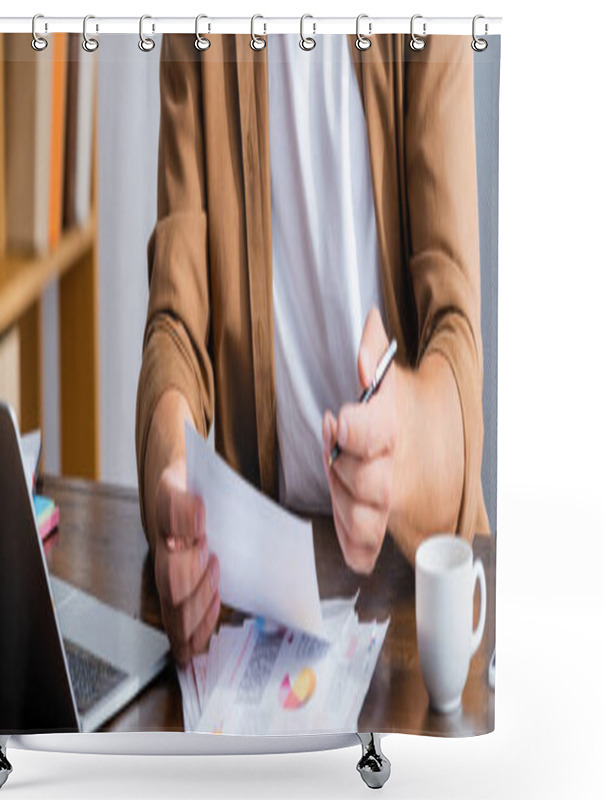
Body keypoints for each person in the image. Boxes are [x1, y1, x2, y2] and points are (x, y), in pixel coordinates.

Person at [135, 33, 489, 665]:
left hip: (413, 587)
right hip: (261, 587)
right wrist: (173, 474)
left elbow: (455, 339)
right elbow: (175, 324)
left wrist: (398, 449)